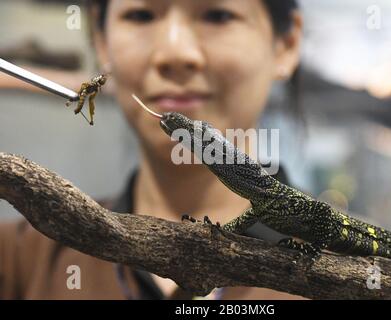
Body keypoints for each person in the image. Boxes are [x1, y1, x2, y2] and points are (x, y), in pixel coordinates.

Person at [0, 0, 303, 299]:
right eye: (141, 15)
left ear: (286, 45)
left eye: (218, 15)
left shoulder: (339, 254)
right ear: (101, 40)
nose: (175, 52)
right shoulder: (21, 258)